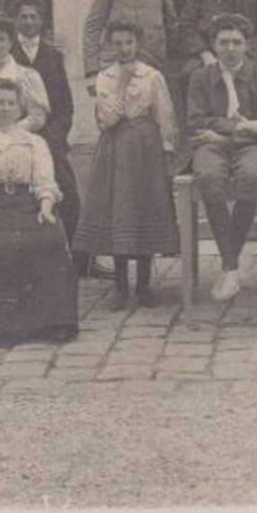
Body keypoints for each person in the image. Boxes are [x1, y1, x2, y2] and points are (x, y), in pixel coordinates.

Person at [0, 79, 79, 340]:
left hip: (27, 206)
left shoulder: (34, 142)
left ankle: (47, 323)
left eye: (11, 103)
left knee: (47, 241)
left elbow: (44, 182)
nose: (5, 109)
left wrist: (45, 208)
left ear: (20, 108)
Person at [73, 19, 180, 312]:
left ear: (138, 44)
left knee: (144, 209)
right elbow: (107, 119)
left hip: (146, 150)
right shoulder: (105, 78)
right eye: (117, 43)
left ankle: (144, 285)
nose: (124, 49)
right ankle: (120, 287)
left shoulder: (152, 76)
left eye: (129, 43)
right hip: (116, 149)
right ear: (110, 46)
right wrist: (121, 83)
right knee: (119, 212)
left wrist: (167, 151)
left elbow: (165, 115)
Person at [185, 13, 257, 302]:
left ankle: (228, 266)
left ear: (246, 45)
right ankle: (231, 265)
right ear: (213, 45)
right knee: (208, 175)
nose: (230, 49)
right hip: (211, 145)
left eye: (236, 42)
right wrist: (242, 128)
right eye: (223, 42)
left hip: (250, 146)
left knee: (252, 175)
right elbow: (195, 121)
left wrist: (229, 133)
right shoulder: (201, 77)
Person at [10, 0, 100, 278]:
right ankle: (29, 263)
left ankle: (83, 261)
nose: (28, 21)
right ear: (16, 21)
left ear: (42, 21)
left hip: (50, 136)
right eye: (23, 16)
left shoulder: (52, 55)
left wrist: (58, 135)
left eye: (33, 17)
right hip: (15, 136)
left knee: (69, 195)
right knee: (23, 197)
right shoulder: (8, 54)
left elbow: (64, 103)